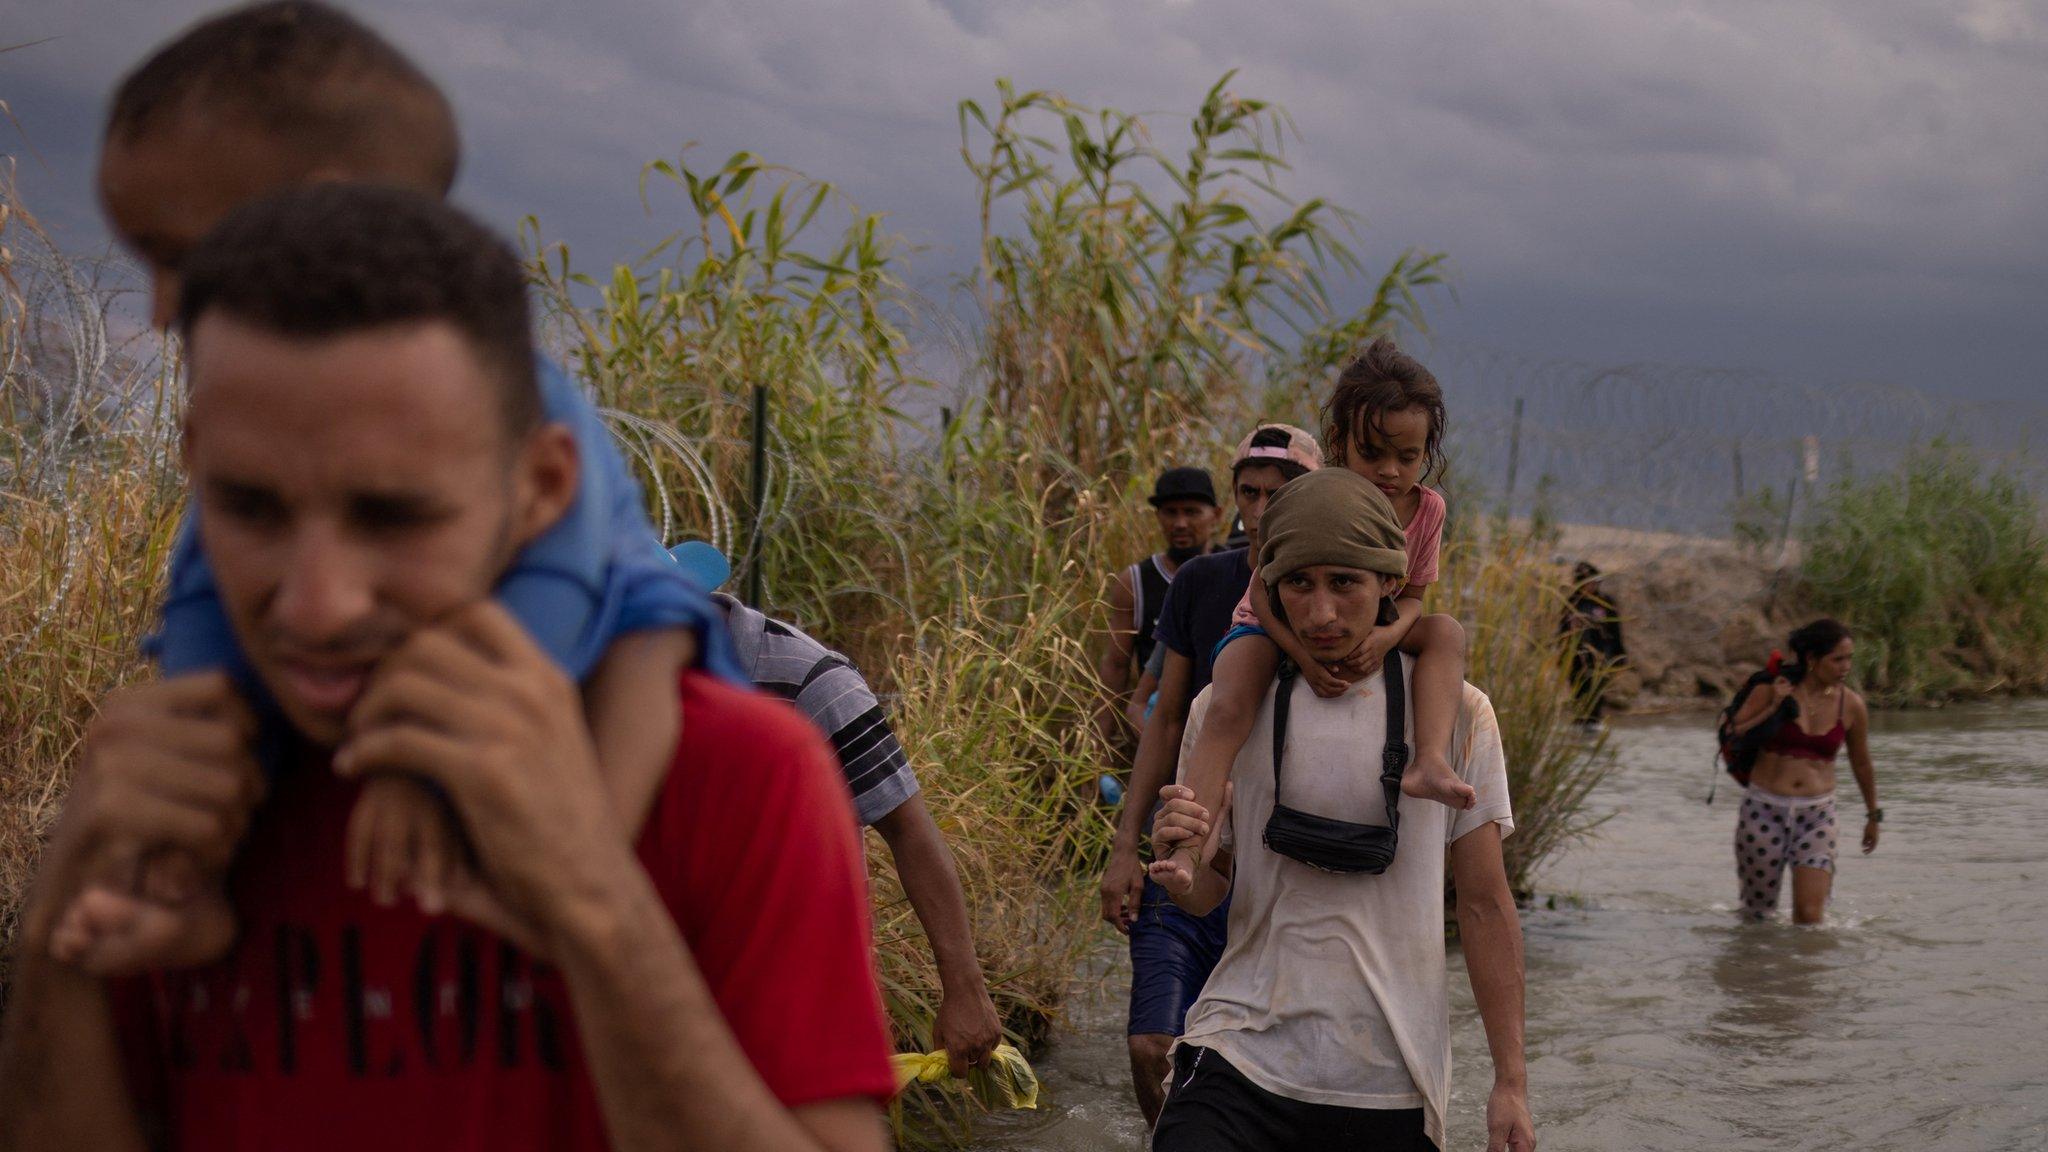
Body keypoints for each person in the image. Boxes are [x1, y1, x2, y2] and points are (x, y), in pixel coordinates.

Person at [0, 185, 895, 1151]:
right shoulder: (174, 802)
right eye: (251, 509)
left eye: (393, 516)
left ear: (544, 487)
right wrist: (65, 904)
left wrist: (595, 903)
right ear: (195, 463)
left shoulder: (733, 777)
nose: (315, 605)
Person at [63, 0, 727, 974]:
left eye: (177, 255)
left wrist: (421, 760)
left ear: (334, 212)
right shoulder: (264, 419)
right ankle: (189, 893)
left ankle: (580, 882)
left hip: (591, 611)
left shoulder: (500, 404)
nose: (161, 307)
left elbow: (559, 584)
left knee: (653, 640)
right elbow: (202, 586)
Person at [1149, 467, 1534, 1152]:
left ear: (1390, 582)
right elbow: (1210, 895)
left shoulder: (1458, 714)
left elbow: (1483, 904)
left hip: (1390, 1078)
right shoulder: (1227, 710)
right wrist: (1183, 875)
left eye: (1345, 583)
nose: (1321, 613)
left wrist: (1511, 1081)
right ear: (1270, 587)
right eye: (1299, 584)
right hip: (1239, 1055)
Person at [1155, 338, 1475, 898]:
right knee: (1227, 704)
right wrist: (1301, 654)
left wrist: (1386, 637)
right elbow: (1261, 585)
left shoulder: (1427, 509)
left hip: (1371, 622)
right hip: (1276, 620)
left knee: (1446, 633)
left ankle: (1427, 761)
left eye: (1407, 457)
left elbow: (1416, 594)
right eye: (1373, 453)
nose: (1390, 471)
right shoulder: (1309, 498)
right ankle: (1189, 843)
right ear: (1338, 442)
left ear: (1427, 452)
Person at [672, 562, 1001, 1078]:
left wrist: (964, 988)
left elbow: (908, 829)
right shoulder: (618, 678)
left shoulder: (814, 681)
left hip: (802, 991)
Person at [1096, 425, 1311, 1126]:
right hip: (1186, 832)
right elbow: (1162, 719)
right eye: (1248, 492)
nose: (1259, 508)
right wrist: (1127, 845)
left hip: (1279, 864)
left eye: (1277, 495)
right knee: (1154, 1044)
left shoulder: (1330, 596)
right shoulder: (1202, 582)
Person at [1723, 618, 1880, 923]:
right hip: (1763, 809)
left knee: (1810, 916)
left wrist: (1873, 815)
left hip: (1818, 814)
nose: (1846, 667)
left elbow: (1861, 762)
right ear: (1811, 659)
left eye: (1849, 659)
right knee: (1758, 915)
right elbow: (1733, 732)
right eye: (1838, 659)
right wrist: (1773, 708)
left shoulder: (1852, 705)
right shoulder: (1772, 690)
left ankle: (1803, 970)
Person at [1097, 467, 1223, 748]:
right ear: (1157, 516)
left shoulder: (1233, 572)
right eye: (1170, 512)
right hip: (1157, 727)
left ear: (1216, 515)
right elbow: (1116, 667)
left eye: (1191, 512)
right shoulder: (1136, 582)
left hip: (1220, 727)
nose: (1180, 523)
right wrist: (1098, 749)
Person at [1560, 561, 1625, 724]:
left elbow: (1615, 630)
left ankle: (1594, 728)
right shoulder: (1571, 603)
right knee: (1579, 695)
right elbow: (1562, 631)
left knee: (1596, 695)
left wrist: (1619, 655)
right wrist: (1562, 657)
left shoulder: (1605, 602)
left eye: (1597, 582)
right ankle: (1580, 726)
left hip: (1601, 658)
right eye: (1591, 582)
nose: (1594, 585)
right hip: (1576, 660)